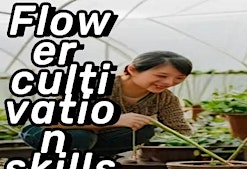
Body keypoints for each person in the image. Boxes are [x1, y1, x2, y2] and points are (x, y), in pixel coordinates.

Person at [21, 51, 193, 157]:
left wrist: (198, 147)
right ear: (132, 70)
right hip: (48, 130)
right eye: (162, 76)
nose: (169, 82)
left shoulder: (165, 98)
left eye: (178, 79)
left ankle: (97, 160)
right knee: (80, 136)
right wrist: (114, 120)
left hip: (97, 137)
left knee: (144, 131)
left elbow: (180, 130)